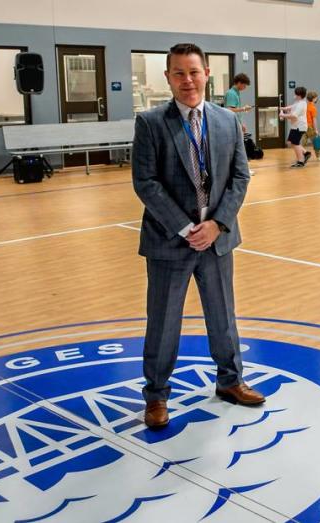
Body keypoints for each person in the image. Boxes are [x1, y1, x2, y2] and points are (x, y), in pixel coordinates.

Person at [131, 43, 263, 429]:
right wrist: (188, 228)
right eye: (179, 73)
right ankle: (156, 395)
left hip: (217, 240)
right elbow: (146, 182)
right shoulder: (151, 123)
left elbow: (240, 177)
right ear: (168, 78)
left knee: (223, 316)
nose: (187, 80)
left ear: (207, 73)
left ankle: (230, 380)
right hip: (171, 241)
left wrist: (217, 224)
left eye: (194, 72)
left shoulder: (226, 122)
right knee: (163, 321)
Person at [280, 86, 311, 167]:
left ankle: (301, 161)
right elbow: (292, 107)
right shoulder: (298, 102)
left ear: (299, 95)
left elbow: (294, 116)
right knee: (290, 142)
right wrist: (284, 108)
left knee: (295, 143)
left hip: (299, 127)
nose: (294, 95)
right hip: (295, 126)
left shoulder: (301, 104)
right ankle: (305, 153)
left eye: (296, 94)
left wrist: (283, 115)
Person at [303, 90, 320, 160]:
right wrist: (316, 130)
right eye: (316, 98)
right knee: (315, 141)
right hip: (310, 127)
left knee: (303, 142)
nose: (317, 99)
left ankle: (300, 155)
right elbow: (314, 120)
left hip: (303, 126)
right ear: (314, 98)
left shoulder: (306, 106)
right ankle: (319, 156)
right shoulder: (313, 108)